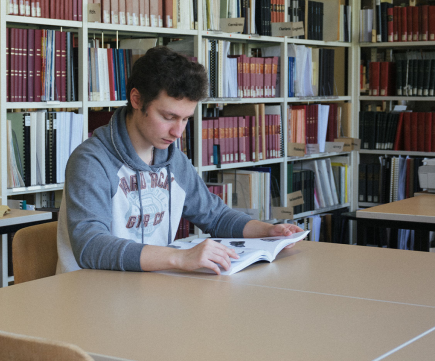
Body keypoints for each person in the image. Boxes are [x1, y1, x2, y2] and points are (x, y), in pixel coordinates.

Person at [56, 46, 302, 275]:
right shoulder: (91, 162)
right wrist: (179, 257)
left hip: (149, 291)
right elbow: (90, 246)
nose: (178, 132)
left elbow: (215, 216)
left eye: (185, 119)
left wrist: (267, 231)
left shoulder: (173, 159)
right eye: (169, 116)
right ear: (136, 99)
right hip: (92, 297)